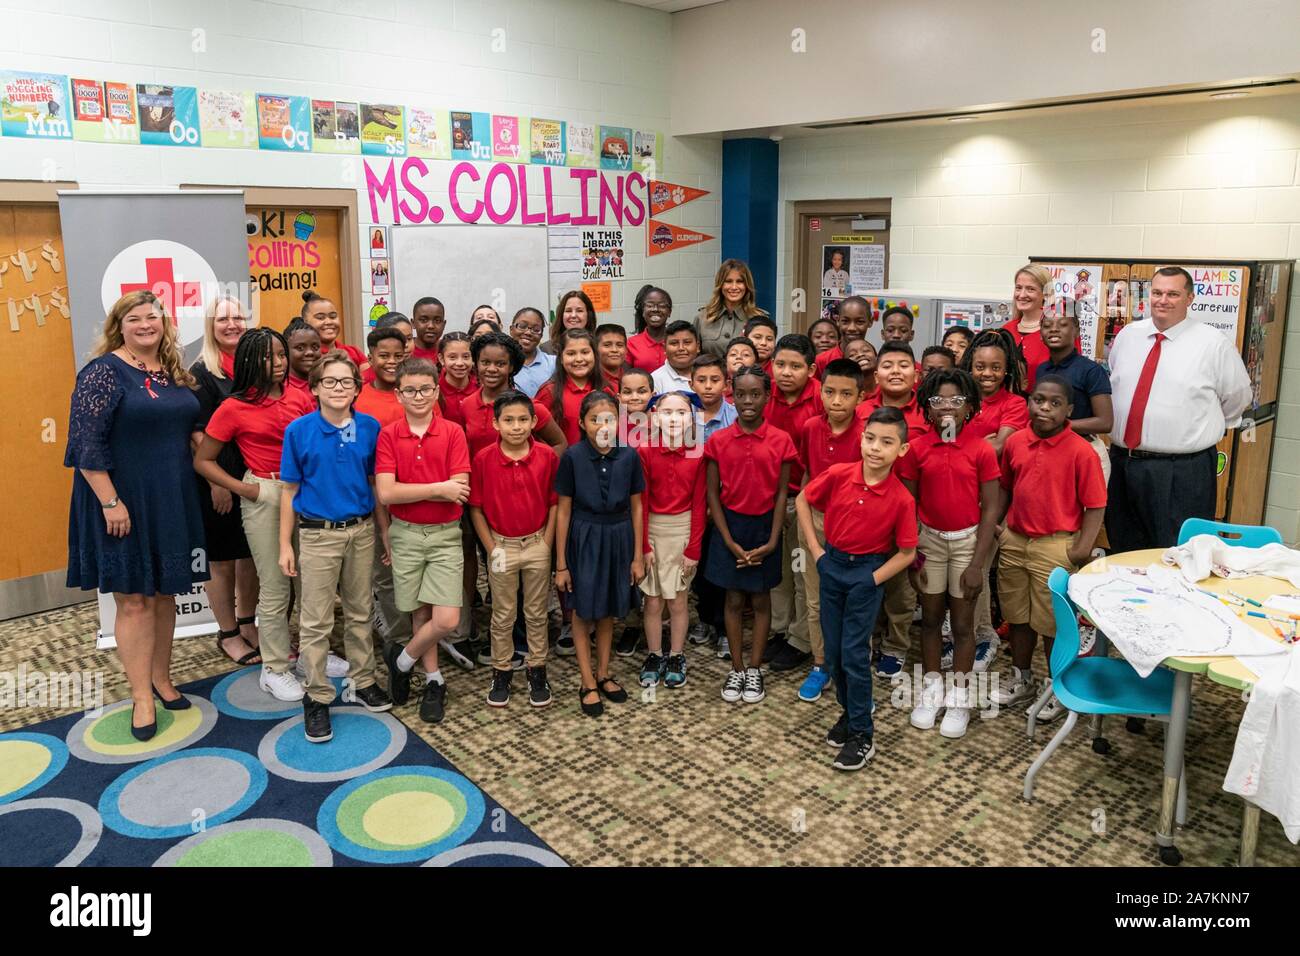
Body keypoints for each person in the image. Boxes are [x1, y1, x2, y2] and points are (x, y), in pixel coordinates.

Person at [66, 290, 209, 740]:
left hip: (172, 498)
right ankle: (141, 697)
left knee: (166, 594)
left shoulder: (172, 372)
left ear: (164, 323)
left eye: (153, 316)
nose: (146, 324)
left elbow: (184, 428)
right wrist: (110, 502)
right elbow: (85, 446)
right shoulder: (103, 372)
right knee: (133, 600)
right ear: (119, 326)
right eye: (135, 318)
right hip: (122, 503)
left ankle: (162, 680)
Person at [196, 327, 317, 704]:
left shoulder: (300, 396)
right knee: (276, 584)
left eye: (282, 355)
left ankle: (313, 659)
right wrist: (246, 489)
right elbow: (203, 460)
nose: (279, 364)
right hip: (266, 493)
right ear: (250, 361)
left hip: (305, 494)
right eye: (270, 357)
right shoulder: (234, 406)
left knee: (312, 580)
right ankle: (275, 668)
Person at [278, 355, 394, 743]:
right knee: (316, 620)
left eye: (347, 382)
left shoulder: (370, 427)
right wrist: (284, 545)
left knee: (361, 610)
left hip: (360, 531)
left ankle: (363, 680)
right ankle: (316, 694)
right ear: (314, 388)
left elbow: (374, 483)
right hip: (317, 534)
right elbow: (289, 491)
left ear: (358, 389)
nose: (339, 388)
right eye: (330, 382)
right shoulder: (299, 431)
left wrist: (385, 531)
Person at [797, 406, 917, 770]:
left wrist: (872, 580)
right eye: (869, 438)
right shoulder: (838, 474)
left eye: (886, 442)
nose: (875, 448)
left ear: (902, 450)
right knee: (832, 654)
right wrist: (817, 553)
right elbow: (803, 499)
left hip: (867, 574)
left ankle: (863, 733)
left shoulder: (901, 498)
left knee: (853, 655)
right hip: (831, 563)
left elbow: (908, 553)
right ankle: (848, 715)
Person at [1106, 266, 1251, 553]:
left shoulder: (1212, 344)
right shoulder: (1128, 336)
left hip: (1181, 471)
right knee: (1124, 549)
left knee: (1179, 553)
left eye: (1173, 294)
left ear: (1190, 298)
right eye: (1157, 293)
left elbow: (1237, 397)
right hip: (1123, 464)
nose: (1163, 300)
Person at [992, 375, 1107, 722]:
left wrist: (1081, 549)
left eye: (1054, 403)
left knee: (1053, 624)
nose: (1044, 408)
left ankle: (1058, 687)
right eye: (1038, 400)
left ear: (1068, 410)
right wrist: (997, 528)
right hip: (1014, 540)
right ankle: (1021, 679)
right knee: (1018, 617)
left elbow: (1096, 505)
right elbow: (1005, 487)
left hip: (1057, 545)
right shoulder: (1016, 443)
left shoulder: (1081, 451)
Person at [896, 368, 1000, 739]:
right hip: (929, 542)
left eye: (957, 401)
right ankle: (933, 688)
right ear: (926, 405)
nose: (947, 407)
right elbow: (906, 503)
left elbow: (990, 508)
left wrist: (977, 564)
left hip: (967, 542)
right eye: (938, 400)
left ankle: (959, 697)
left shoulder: (981, 449)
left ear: (969, 407)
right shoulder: (918, 448)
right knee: (930, 621)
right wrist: (912, 556)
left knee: (961, 626)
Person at [376, 357, 472, 724]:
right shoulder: (389, 435)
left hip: (446, 535)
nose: (419, 396)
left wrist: (417, 490)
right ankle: (433, 680)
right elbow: (386, 493)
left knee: (445, 619)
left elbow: (459, 491)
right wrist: (438, 488)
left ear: (437, 391)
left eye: (426, 389)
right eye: (411, 390)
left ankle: (401, 661)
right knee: (420, 612)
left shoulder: (452, 433)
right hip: (406, 534)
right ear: (399, 394)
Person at [704, 366, 798, 705]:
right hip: (729, 527)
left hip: (764, 527)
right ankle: (737, 666)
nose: (747, 401)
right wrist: (728, 541)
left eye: (755, 394)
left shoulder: (781, 440)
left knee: (760, 600)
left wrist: (773, 541)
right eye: (741, 394)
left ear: (767, 396)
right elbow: (712, 495)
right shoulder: (718, 441)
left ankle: (755, 669)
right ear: (732, 394)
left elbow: (781, 494)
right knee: (732, 600)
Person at [554, 391, 646, 717]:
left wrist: (637, 556)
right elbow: (563, 512)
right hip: (585, 537)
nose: (602, 425)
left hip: (619, 537)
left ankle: (604, 672)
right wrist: (561, 564)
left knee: (607, 609)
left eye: (609, 419)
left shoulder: (630, 456)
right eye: (595, 419)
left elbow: (637, 507)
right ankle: (587, 680)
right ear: (582, 422)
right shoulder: (573, 457)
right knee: (583, 611)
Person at [468, 390, 559, 709]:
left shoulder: (547, 456)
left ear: (534, 421)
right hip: (501, 545)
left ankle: (537, 669)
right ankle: (502, 670)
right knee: (503, 613)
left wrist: (546, 543)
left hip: (537, 543)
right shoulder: (483, 459)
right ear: (496, 424)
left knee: (536, 613)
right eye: (508, 420)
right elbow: (476, 509)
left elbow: (554, 504)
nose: (516, 426)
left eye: (523, 419)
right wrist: (492, 547)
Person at [190, 295, 260, 667]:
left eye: (238, 317)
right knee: (221, 560)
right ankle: (228, 633)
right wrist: (218, 483)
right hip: (217, 479)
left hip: (255, 477)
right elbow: (197, 433)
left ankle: (249, 623)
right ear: (210, 326)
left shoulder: (254, 370)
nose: (231, 324)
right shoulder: (200, 372)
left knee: (249, 556)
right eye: (222, 319)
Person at [794, 358, 866, 703]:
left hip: (856, 525)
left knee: (855, 602)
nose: (836, 401)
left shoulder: (869, 431)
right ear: (819, 392)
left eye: (846, 394)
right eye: (830, 392)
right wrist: (809, 533)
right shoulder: (809, 427)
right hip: (816, 520)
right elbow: (808, 477)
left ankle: (852, 669)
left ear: (860, 397)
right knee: (815, 598)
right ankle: (821, 664)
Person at [855, 342, 927, 678]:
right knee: (867, 581)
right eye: (887, 365)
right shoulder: (861, 409)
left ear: (916, 372)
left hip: (909, 512)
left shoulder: (926, 412)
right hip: (864, 512)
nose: (895, 371)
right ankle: (867, 638)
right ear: (876, 371)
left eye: (903, 364)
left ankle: (896, 646)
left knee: (900, 588)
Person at [636, 391, 707, 689]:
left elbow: (700, 504)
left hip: (683, 529)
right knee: (652, 600)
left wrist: (693, 548)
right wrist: (643, 547)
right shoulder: (645, 450)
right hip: (652, 528)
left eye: (681, 413)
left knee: (678, 599)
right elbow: (642, 501)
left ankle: (676, 655)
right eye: (667, 412)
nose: (674, 419)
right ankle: (654, 654)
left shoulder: (698, 452)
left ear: (692, 418)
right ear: (654, 416)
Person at [762, 334, 822, 674]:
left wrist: (802, 500)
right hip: (771, 497)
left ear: (811, 369)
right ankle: (781, 629)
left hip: (805, 498)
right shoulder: (765, 394)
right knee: (778, 571)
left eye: (795, 366)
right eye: (780, 364)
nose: (785, 372)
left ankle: (802, 639)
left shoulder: (819, 399)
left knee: (802, 573)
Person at [461, 332, 567, 461]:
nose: (492, 369)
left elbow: (560, 443)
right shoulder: (467, 405)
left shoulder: (530, 406)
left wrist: (540, 471)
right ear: (476, 364)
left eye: (500, 364)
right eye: (485, 362)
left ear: (511, 367)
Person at [1036, 308, 1113, 482]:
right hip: (1051, 451)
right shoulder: (1042, 370)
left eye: (1063, 325)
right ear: (1041, 333)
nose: (1054, 329)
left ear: (1077, 331)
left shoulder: (1091, 371)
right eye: (1047, 325)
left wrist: (1060, 424)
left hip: (1086, 451)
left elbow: (1105, 422)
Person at [1002, 264, 1078, 390]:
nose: (1022, 295)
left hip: (1045, 406)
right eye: (1018, 288)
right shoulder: (1006, 330)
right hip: (1008, 407)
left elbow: (1074, 373)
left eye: (1030, 289)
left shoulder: (1059, 331)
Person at [961, 328, 1028, 457]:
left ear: (1005, 370)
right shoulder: (958, 399)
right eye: (980, 367)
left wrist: (964, 447)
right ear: (971, 367)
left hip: (993, 476)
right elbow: (947, 442)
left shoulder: (1015, 404)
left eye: (996, 368)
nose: (987, 373)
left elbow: (998, 447)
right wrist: (981, 445)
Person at [536, 329, 604, 447]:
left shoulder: (609, 389)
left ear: (595, 354)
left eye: (585, 352)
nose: (579, 359)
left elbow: (621, 433)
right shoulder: (549, 392)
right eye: (571, 353)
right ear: (561, 358)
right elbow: (537, 439)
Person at [695, 259, 767, 359]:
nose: (734, 287)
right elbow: (694, 356)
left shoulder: (759, 318)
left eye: (740, 281)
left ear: (747, 285)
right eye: (728, 281)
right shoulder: (703, 318)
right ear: (720, 285)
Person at [353, 326, 407, 428]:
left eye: (398, 356)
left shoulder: (417, 395)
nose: (392, 361)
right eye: (384, 356)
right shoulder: (356, 398)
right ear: (370, 359)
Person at [301, 290, 365, 367]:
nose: (328, 322)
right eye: (320, 318)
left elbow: (369, 378)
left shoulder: (354, 353)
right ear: (305, 322)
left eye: (333, 316)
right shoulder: (304, 357)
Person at [814, 296, 872, 378]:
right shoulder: (821, 361)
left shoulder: (874, 359)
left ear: (870, 322)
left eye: (859, 322)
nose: (852, 328)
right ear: (838, 321)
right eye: (845, 321)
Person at [510, 306, 555, 398]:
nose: (528, 333)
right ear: (511, 329)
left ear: (541, 335)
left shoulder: (553, 363)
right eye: (522, 326)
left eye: (536, 329)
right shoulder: (503, 364)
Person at [691, 354, 737, 441]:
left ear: (726, 385)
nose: (708, 386)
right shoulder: (683, 413)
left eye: (715, 380)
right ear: (691, 384)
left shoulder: (736, 417)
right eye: (701, 380)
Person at [627, 285, 671, 372]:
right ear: (643, 311)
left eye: (662, 306)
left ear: (669, 312)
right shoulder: (631, 344)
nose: (655, 309)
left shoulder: (677, 342)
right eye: (650, 305)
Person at [436, 331, 475, 428]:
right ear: (441, 359)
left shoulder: (481, 389)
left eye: (466, 357)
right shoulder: (434, 390)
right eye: (452, 357)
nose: (460, 363)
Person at [651, 320, 700, 395]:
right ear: (664, 348)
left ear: (698, 347)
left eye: (687, 342)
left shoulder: (709, 375)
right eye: (674, 343)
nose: (681, 348)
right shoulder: (655, 380)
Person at [543, 290, 597, 356]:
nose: (573, 315)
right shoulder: (546, 350)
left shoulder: (599, 346)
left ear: (588, 315)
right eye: (568, 311)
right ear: (561, 315)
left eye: (579, 311)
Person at [283, 318, 322, 401]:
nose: (310, 352)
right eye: (300, 348)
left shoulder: (328, 383)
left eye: (315, 347)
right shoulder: (281, 388)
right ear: (285, 351)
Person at [617, 367, 655, 448]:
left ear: (653, 396)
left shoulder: (665, 423)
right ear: (619, 398)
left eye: (641, 392)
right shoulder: (614, 426)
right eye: (627, 392)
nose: (634, 397)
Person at [594, 323, 628, 395]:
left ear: (626, 350)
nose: (614, 350)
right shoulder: (591, 380)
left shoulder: (630, 379)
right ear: (595, 349)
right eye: (607, 345)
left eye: (620, 345)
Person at [411, 296, 445, 361]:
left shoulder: (449, 350)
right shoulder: (405, 352)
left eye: (437, 321)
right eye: (423, 320)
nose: (431, 326)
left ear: (444, 324)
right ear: (413, 323)